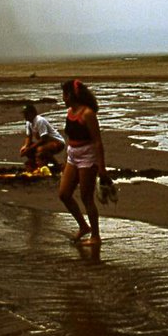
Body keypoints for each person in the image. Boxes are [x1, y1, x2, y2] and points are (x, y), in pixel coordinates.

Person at [57, 79, 111, 246]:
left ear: (72, 95)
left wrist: (102, 168)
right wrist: (66, 159)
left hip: (88, 156)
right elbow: (70, 138)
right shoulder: (69, 112)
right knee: (64, 194)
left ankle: (95, 236)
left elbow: (97, 142)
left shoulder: (88, 114)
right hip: (73, 155)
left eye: (65, 94)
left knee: (86, 197)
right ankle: (83, 226)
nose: (63, 97)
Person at [20, 103, 65, 171]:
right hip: (46, 142)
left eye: (27, 114)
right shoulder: (28, 123)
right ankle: (36, 164)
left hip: (57, 142)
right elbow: (28, 136)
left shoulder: (40, 121)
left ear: (32, 113)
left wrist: (30, 148)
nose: (25, 116)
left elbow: (44, 138)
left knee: (40, 149)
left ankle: (55, 165)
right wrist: (25, 146)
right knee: (27, 150)